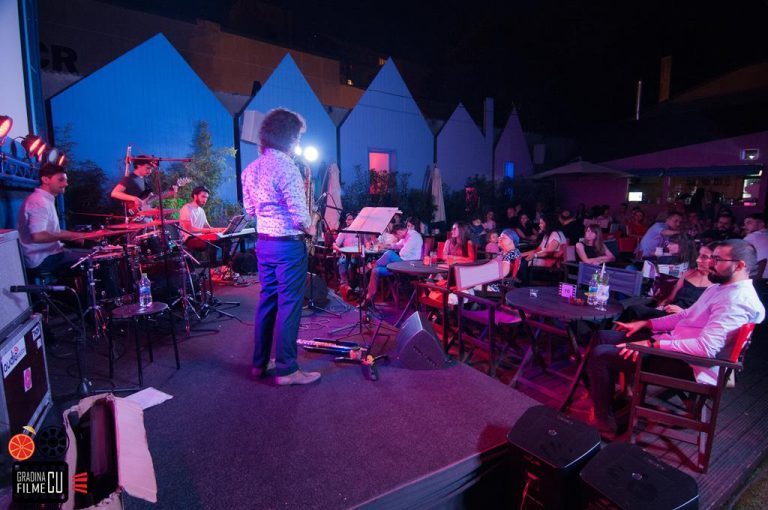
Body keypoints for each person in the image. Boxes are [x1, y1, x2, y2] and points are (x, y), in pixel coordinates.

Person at [586, 239, 765, 435]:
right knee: (602, 336)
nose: (710, 264)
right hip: (677, 348)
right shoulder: (720, 288)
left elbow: (705, 348)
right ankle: (603, 397)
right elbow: (685, 315)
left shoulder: (737, 300)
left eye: (717, 259)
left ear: (739, 266)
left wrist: (651, 343)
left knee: (601, 355)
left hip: (693, 365)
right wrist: (646, 324)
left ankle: (603, 418)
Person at [244, 108, 320, 386]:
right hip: (288, 247)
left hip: (264, 244)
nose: (298, 143)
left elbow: (250, 210)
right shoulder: (287, 167)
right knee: (290, 305)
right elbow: (300, 217)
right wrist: (312, 227)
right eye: (297, 137)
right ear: (289, 137)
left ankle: (260, 363)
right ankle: (287, 370)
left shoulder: (251, 169)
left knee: (267, 301)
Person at [17, 163, 89, 274]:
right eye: (61, 180)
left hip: (50, 253)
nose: (66, 184)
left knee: (92, 254)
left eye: (66, 180)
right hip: (42, 259)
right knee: (95, 260)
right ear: (45, 180)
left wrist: (80, 235)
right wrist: (71, 236)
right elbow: (38, 236)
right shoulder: (39, 202)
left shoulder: (45, 199)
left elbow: (53, 232)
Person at [625, 243, 716, 321]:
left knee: (635, 310)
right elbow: (670, 298)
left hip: (687, 319)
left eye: (704, 257)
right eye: (699, 255)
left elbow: (709, 315)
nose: (698, 260)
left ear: (716, 260)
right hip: (669, 313)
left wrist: (684, 312)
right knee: (632, 309)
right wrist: (660, 307)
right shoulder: (689, 273)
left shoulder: (717, 285)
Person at [363, 218, 423, 305]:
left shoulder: (413, 236)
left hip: (409, 265)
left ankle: (372, 265)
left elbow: (403, 253)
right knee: (375, 270)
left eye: (397, 236)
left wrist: (394, 250)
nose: (397, 238)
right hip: (401, 264)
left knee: (389, 254)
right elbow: (397, 245)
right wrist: (386, 246)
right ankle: (369, 298)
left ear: (399, 232)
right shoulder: (405, 236)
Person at [179, 186, 224, 251]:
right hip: (189, 238)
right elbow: (189, 229)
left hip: (200, 237)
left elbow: (207, 228)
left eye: (206, 198)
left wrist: (220, 230)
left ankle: (227, 258)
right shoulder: (186, 208)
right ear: (195, 196)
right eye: (203, 197)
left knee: (225, 241)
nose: (205, 200)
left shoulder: (201, 210)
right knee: (209, 244)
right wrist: (210, 230)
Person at [333, 212, 360, 291]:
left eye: (349, 219)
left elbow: (366, 243)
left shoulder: (360, 231)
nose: (346, 221)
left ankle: (354, 285)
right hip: (345, 254)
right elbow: (335, 244)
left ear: (354, 220)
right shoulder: (344, 231)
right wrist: (340, 250)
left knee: (352, 264)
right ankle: (345, 285)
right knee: (342, 263)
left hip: (357, 255)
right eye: (346, 219)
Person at [743, 214, 768, 278]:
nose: (745, 227)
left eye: (749, 223)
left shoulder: (751, 237)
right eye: (744, 224)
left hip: (760, 279)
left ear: (761, 224)